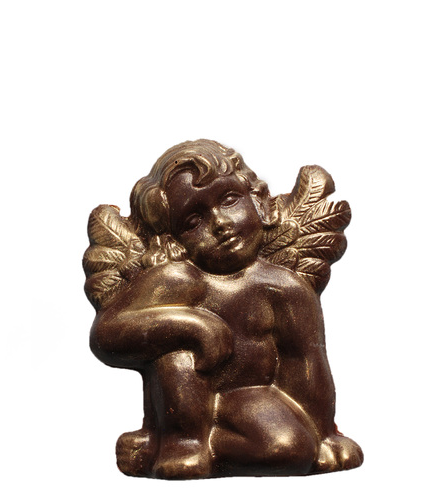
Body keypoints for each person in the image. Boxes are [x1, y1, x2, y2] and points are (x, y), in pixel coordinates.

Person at [90, 140, 362, 478]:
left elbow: (307, 365)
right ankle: (180, 443)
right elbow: (107, 334)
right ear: (173, 240)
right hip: (185, 403)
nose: (219, 223)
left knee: (290, 449)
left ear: (258, 200)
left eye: (229, 200)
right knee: (176, 348)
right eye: (193, 221)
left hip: (253, 398)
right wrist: (191, 325)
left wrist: (322, 436)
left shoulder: (286, 288)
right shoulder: (175, 279)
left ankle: (179, 446)